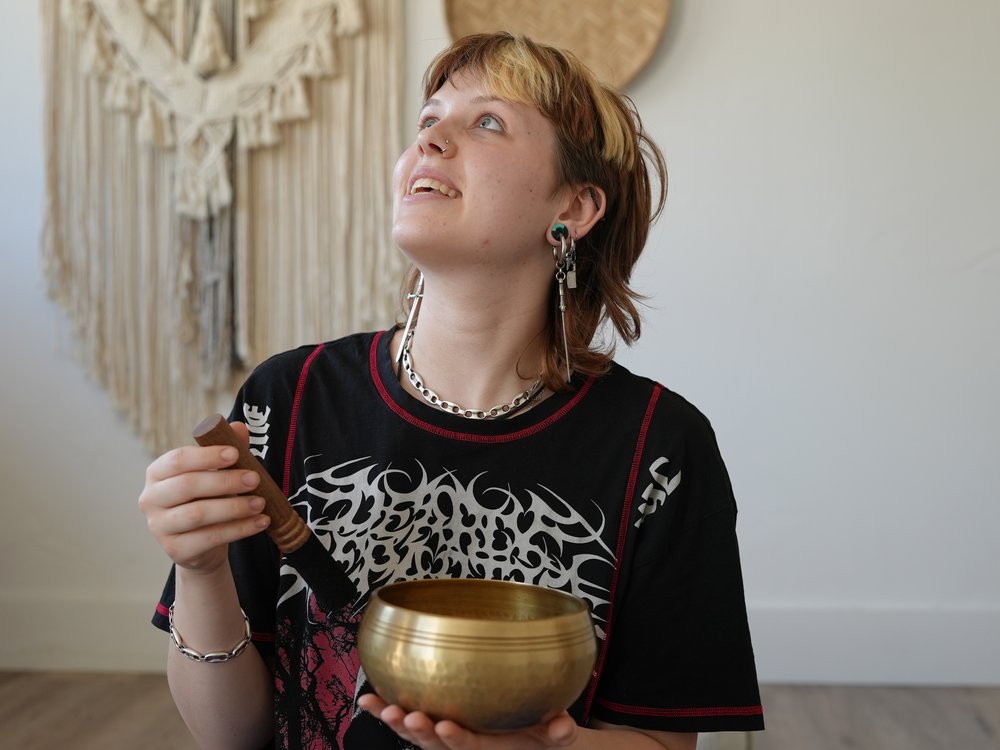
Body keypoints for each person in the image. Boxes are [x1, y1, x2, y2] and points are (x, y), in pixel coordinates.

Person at [140, 32, 764, 750]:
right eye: (428, 119)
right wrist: (202, 568)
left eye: (487, 121)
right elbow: (231, 735)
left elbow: (658, 743)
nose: (432, 139)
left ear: (576, 207)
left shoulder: (661, 446)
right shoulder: (290, 396)